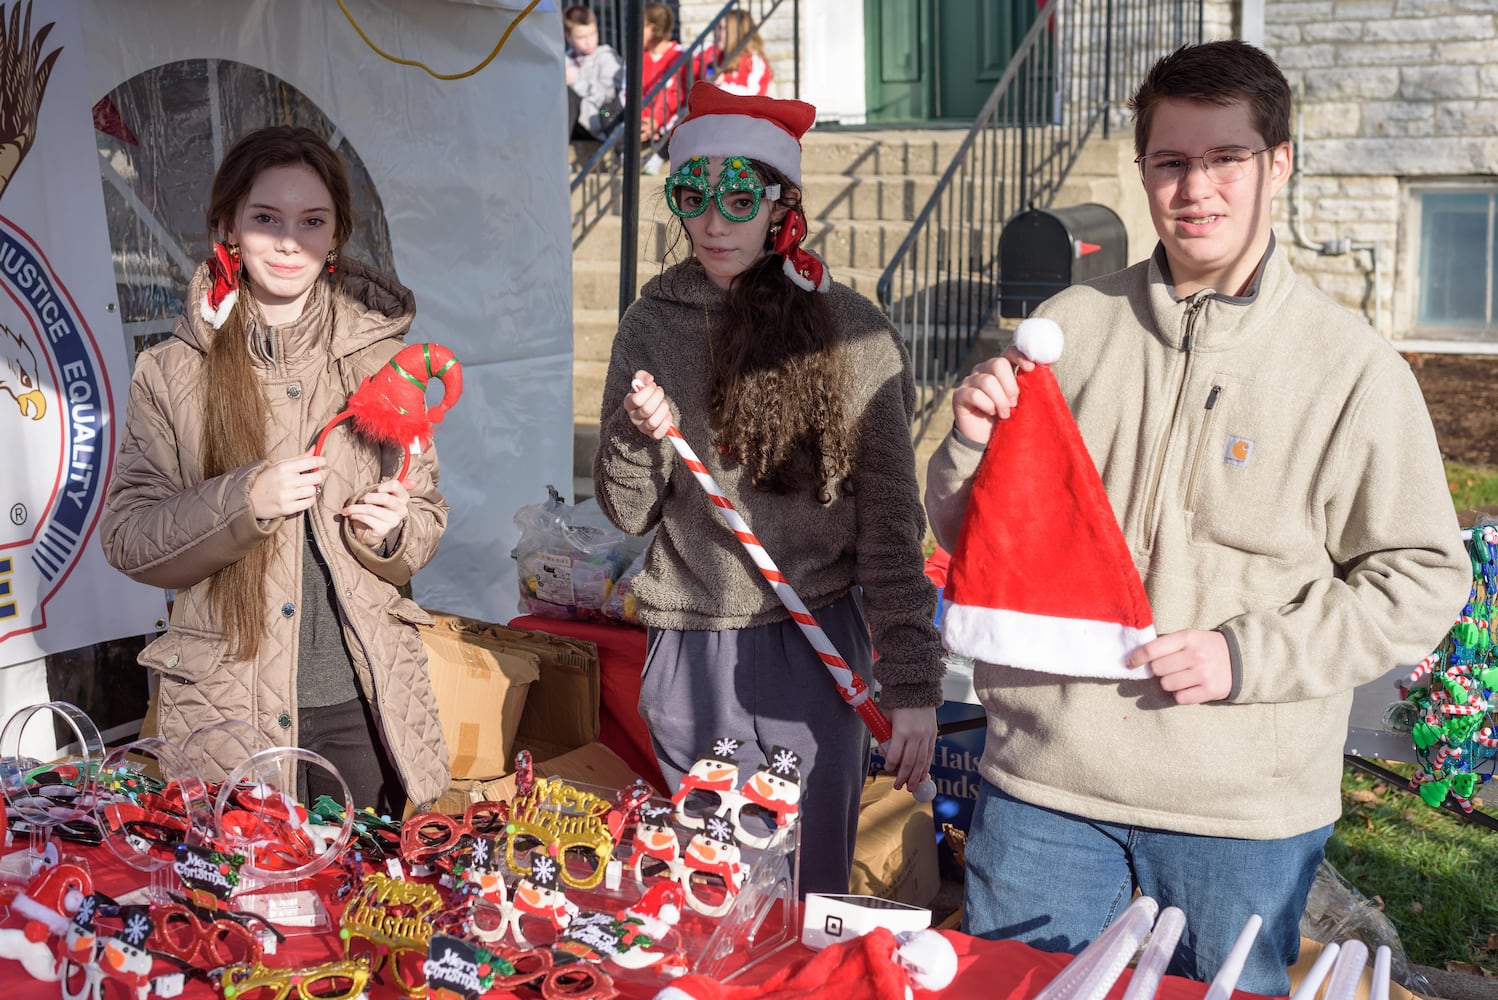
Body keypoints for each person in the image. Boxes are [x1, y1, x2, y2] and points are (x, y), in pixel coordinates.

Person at [924, 40, 1470, 996]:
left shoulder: (1351, 370)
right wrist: (970, 442)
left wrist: (1247, 655)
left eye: (1227, 160)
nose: (1196, 189)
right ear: (1143, 171)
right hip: (1046, 793)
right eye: (1171, 162)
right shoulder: (1071, 326)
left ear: (1280, 164)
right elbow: (977, 542)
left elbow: (1421, 579)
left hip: (1242, 817)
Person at [592, 82, 944, 895]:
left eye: (740, 197)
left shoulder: (851, 329)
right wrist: (636, 435)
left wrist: (915, 685)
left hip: (813, 642)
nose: (714, 223)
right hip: (691, 645)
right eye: (693, 196)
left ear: (783, 202)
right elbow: (628, 509)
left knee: (808, 880)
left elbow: (892, 520)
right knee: (714, 890)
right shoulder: (651, 323)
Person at [101, 125, 451, 815]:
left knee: (368, 908)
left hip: (364, 703)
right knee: (242, 910)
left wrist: (393, 532)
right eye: (267, 219)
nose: (289, 242)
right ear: (227, 226)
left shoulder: (382, 360)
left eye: (311, 221)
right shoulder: (171, 373)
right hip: (228, 717)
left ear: (336, 235)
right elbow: (130, 537)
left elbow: (427, 516)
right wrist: (243, 501)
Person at [564, 4, 624, 141]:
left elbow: (606, 98)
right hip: (574, 122)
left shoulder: (607, 58)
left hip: (599, 118)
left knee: (569, 95)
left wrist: (575, 81)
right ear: (568, 37)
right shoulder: (566, 60)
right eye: (581, 37)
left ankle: (559, 153)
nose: (589, 41)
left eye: (592, 34)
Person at [639, 3, 684, 143]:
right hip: (641, 125)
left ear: (652, 28)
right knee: (605, 112)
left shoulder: (680, 56)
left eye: (641, 26)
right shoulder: (637, 59)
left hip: (666, 125)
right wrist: (643, 121)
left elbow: (675, 95)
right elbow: (629, 93)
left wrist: (656, 121)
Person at [711, 10, 772, 97]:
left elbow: (753, 94)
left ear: (734, 32)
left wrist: (723, 80)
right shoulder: (721, 56)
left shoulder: (752, 60)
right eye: (716, 28)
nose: (716, 33)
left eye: (722, 28)